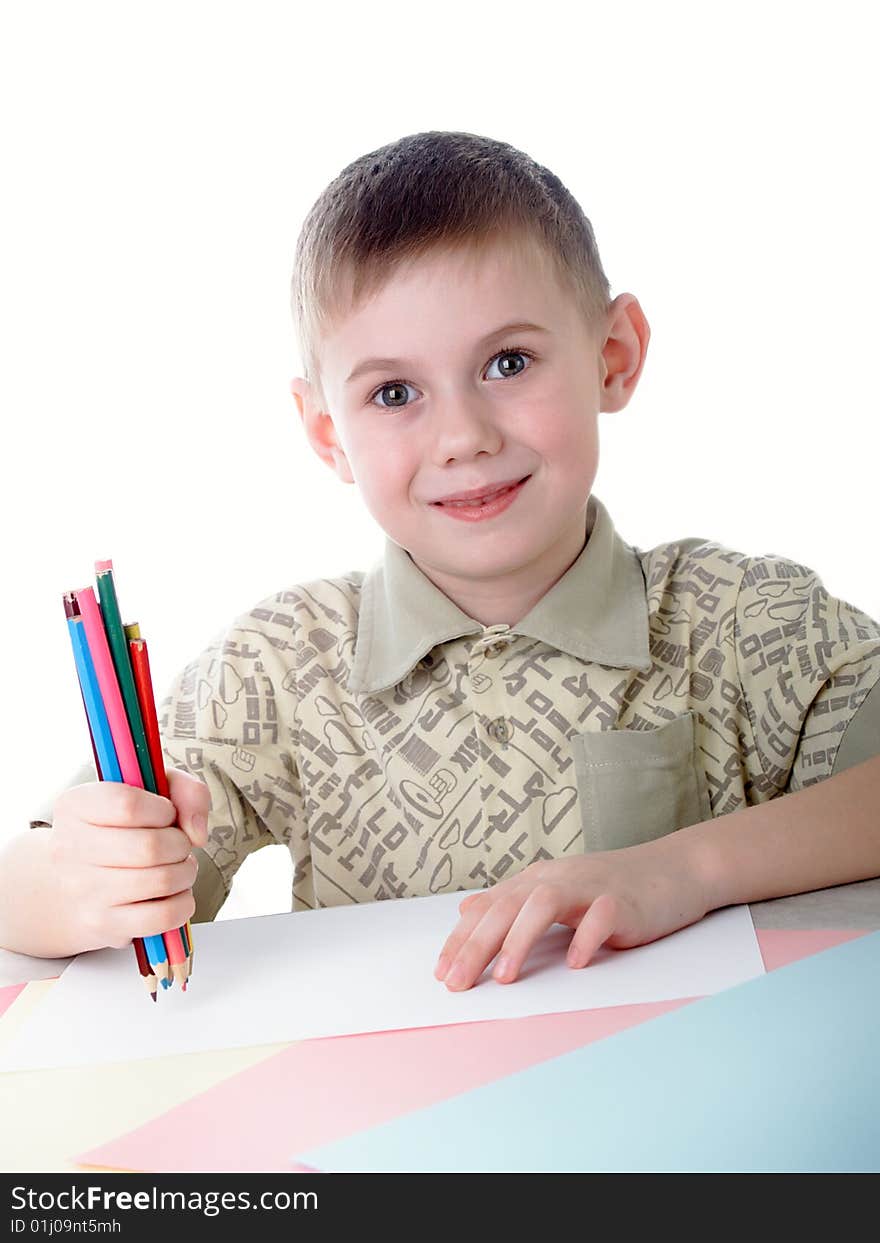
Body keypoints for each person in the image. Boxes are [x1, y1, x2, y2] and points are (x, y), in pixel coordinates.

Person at [3, 130, 879, 992]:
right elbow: (22, 887)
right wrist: (88, 879)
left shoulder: (745, 618)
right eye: (394, 393)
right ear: (325, 433)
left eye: (508, 362)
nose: (464, 437)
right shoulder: (280, 661)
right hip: (367, 1126)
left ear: (613, 358)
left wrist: (686, 868)